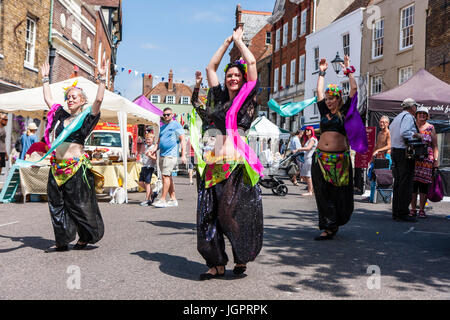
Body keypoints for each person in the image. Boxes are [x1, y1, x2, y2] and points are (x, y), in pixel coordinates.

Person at [195, 26, 263, 279]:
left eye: (236, 75)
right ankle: (216, 263)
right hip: (212, 163)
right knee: (207, 216)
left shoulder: (247, 98)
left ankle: (241, 255)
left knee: (228, 214)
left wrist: (239, 41)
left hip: (234, 166)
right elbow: (211, 67)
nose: (232, 78)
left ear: (243, 78)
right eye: (229, 75)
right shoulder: (219, 97)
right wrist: (225, 43)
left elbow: (253, 62)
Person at [40, 59, 107, 252]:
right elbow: (48, 99)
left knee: (79, 206)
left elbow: (99, 101)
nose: (70, 99)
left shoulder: (86, 119)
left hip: (75, 168)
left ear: (83, 101)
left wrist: (101, 79)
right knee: (56, 205)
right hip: (57, 167)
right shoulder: (61, 116)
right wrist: (45, 78)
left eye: (75, 97)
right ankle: (62, 240)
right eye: (68, 97)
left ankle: (85, 236)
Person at [311, 55, 358, 240]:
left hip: (339, 160)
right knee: (322, 192)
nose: (329, 101)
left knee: (338, 192)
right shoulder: (324, 111)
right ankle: (328, 226)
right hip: (321, 159)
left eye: (332, 99)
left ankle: (336, 221)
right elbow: (319, 92)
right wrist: (322, 72)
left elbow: (353, 89)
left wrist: (347, 69)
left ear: (339, 99)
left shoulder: (345, 111)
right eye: (328, 99)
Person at [389, 98, 422, 222]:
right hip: (404, 152)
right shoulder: (408, 117)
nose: (416, 109)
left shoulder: (398, 117)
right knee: (406, 183)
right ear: (411, 107)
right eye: (415, 107)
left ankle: (397, 212)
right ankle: (403, 213)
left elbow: (392, 130)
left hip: (396, 151)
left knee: (398, 182)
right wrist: (417, 136)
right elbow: (405, 132)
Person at [152, 107, 186, 208]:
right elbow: (158, 143)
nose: (166, 116)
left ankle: (162, 199)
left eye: (168, 114)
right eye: (165, 115)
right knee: (168, 176)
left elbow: (182, 140)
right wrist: (153, 150)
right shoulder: (162, 127)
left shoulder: (176, 125)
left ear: (172, 115)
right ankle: (173, 199)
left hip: (170, 155)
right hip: (162, 154)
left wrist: (183, 155)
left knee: (165, 176)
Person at [409, 106, 439, 218]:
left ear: (427, 116)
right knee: (413, 185)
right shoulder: (411, 126)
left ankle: (421, 209)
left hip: (426, 160)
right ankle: (412, 209)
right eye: (420, 113)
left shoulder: (431, 128)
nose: (422, 115)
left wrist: (435, 161)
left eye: (424, 114)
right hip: (413, 159)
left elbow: (435, 145)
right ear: (416, 115)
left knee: (423, 186)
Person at [297, 126, 318, 196]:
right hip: (306, 159)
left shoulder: (312, 139)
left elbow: (308, 148)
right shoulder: (308, 139)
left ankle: (310, 191)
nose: (306, 131)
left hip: (310, 159)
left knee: (307, 176)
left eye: (308, 130)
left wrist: (299, 149)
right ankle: (312, 188)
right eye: (306, 130)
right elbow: (304, 146)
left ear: (312, 131)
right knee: (303, 176)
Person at [139, 133, 157, 206]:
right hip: (144, 166)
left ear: (153, 140)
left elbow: (155, 158)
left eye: (149, 139)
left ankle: (148, 199)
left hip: (149, 167)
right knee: (140, 182)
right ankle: (152, 193)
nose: (147, 141)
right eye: (146, 139)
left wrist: (150, 155)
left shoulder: (153, 148)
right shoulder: (146, 147)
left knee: (147, 183)